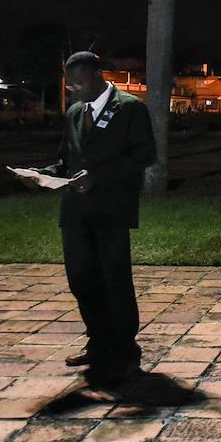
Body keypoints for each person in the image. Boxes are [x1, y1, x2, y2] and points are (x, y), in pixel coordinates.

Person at [15, 51, 155, 387]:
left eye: (77, 83)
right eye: (69, 84)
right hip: (76, 211)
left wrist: (99, 177)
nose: (72, 90)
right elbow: (66, 162)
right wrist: (39, 175)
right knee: (81, 279)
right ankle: (98, 342)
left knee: (114, 280)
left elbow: (145, 154)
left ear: (96, 75)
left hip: (111, 209)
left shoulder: (130, 108)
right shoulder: (75, 113)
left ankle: (123, 350)